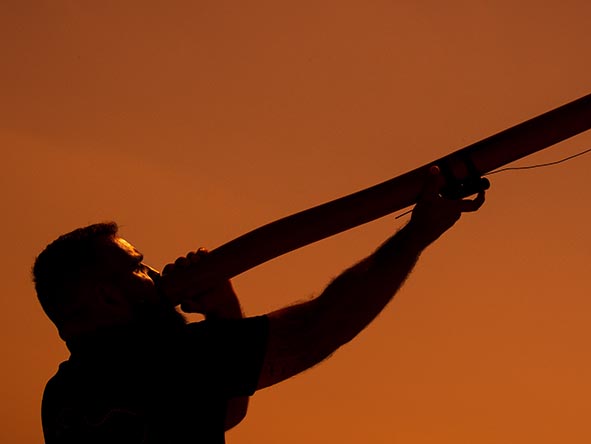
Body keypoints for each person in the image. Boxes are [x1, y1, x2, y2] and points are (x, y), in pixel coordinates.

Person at [33, 167, 485, 443]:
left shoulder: (64, 396)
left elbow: (222, 413)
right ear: (108, 295)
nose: (153, 276)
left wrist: (224, 311)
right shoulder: (166, 359)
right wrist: (415, 236)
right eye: (139, 267)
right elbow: (315, 330)